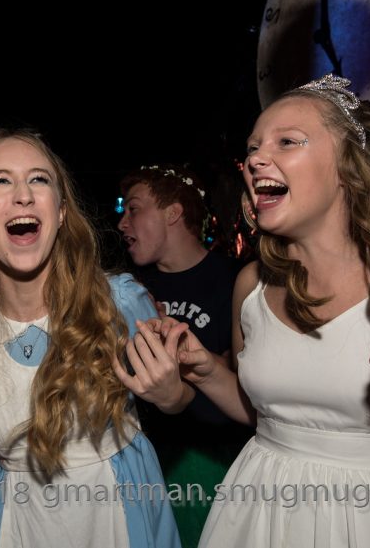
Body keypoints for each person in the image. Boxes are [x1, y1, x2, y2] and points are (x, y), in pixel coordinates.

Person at [135, 74, 370, 547]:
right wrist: (206, 370)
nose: (254, 159)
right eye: (252, 147)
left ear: (350, 167)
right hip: (261, 512)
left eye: (287, 141)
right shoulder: (251, 285)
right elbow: (271, 415)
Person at [0, 129, 182, 547]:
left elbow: (179, 399)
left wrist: (170, 393)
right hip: (14, 519)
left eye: (39, 179)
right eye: (0, 180)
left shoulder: (119, 302)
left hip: (114, 508)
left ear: (60, 212)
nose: (23, 195)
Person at [117, 164, 247, 547]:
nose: (123, 223)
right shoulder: (128, 288)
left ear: (173, 213)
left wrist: (177, 343)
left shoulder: (236, 279)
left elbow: (248, 382)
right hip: (146, 462)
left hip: (217, 465)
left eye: (134, 209)